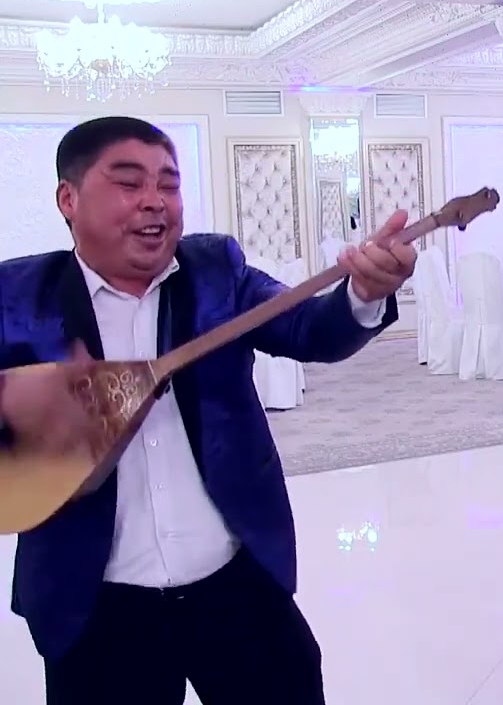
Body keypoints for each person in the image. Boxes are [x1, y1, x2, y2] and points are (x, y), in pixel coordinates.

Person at [0, 116, 415, 705]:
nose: (155, 201)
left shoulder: (216, 271)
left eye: (168, 184)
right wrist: (48, 418)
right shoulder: (17, 297)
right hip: (94, 604)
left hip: (235, 584)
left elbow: (308, 327)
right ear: (68, 198)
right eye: (129, 183)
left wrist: (364, 294)